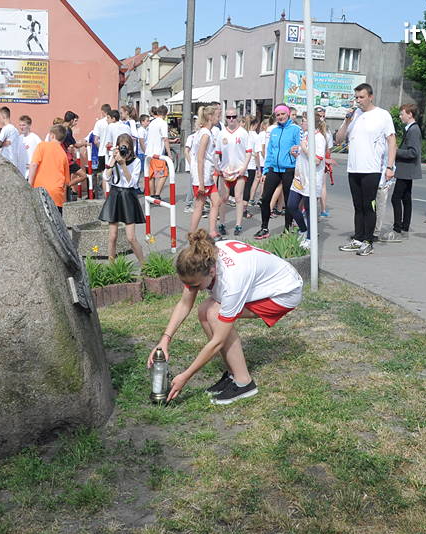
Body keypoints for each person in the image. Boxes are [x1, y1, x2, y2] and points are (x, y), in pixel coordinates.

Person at [148, 230, 303, 405]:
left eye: (196, 285)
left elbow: (218, 341)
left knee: (214, 313)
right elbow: (185, 304)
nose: (192, 289)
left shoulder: (231, 282)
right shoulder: (201, 257)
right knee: (204, 309)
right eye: (187, 284)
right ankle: (233, 374)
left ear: (212, 271)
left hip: (284, 293)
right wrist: (165, 340)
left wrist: (186, 375)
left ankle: (244, 383)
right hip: (266, 282)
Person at [335, 83, 396, 256]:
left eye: (361, 97)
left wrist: (390, 166)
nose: (358, 101)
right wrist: (347, 121)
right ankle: (358, 238)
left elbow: (392, 141)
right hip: (354, 168)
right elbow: (338, 140)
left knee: (369, 205)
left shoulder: (382, 115)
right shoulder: (353, 115)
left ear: (370, 97)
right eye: (356, 97)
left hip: (372, 168)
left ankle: (368, 241)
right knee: (357, 206)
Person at [97, 133, 145, 263]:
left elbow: (132, 183)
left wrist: (123, 164)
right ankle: (112, 268)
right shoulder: (114, 158)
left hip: (128, 196)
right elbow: (106, 178)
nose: (125, 152)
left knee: (131, 238)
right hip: (114, 195)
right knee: (112, 236)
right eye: (122, 148)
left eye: (126, 149)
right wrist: (113, 160)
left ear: (131, 149)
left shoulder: (136, 162)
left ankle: (145, 266)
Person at [254, 106, 301, 240]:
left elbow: (301, 149)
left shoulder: (295, 130)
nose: (280, 117)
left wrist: (297, 165)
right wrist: (265, 170)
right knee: (265, 199)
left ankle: (287, 229)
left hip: (289, 169)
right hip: (274, 169)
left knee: (288, 201)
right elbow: (270, 152)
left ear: (288, 114)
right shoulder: (274, 131)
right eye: (277, 115)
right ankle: (264, 228)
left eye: (282, 114)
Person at [381, 104, 422, 242]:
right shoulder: (411, 129)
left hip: (406, 170)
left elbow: (413, 152)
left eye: (402, 114)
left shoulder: (413, 130)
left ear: (410, 114)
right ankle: (404, 228)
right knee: (406, 198)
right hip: (407, 169)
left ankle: (398, 229)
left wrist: (395, 151)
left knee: (396, 198)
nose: (400, 116)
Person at [287, 110, 327, 249]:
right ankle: (303, 229)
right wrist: (296, 152)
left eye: (304, 120)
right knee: (291, 205)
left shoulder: (319, 138)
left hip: (312, 180)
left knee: (310, 211)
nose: (301, 123)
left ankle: (310, 238)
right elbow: (303, 156)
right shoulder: (305, 135)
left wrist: (303, 148)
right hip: (300, 178)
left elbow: (316, 160)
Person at [216, 109, 252, 236]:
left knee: (238, 198)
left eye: (233, 116)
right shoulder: (221, 133)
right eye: (229, 117)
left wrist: (244, 167)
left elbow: (248, 151)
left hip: (239, 170)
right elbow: (217, 153)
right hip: (225, 170)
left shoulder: (243, 133)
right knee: (224, 198)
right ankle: (222, 223)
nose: (231, 119)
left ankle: (238, 225)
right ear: (225, 118)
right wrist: (218, 167)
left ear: (237, 117)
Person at [189, 105, 220, 239]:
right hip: (203, 176)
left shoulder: (203, 132)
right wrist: (201, 182)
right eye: (217, 116)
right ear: (210, 117)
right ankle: (192, 233)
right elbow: (200, 158)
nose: (218, 119)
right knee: (199, 205)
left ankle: (212, 231)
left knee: (216, 201)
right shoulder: (205, 134)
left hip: (207, 174)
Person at [28, 124, 70, 214]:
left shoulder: (42, 146)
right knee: (56, 225)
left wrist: (29, 184)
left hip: (41, 190)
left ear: (52, 135)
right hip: (57, 194)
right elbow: (66, 182)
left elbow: (34, 164)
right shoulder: (64, 154)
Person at [145, 106, 170, 198]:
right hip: (157, 153)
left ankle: (152, 194)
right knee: (164, 174)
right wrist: (169, 154)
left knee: (151, 175)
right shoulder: (163, 123)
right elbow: (165, 139)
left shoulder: (152, 123)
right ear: (165, 114)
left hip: (149, 153)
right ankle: (157, 194)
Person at [0, 106, 29, 176]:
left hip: (6, 162)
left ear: (4, 116)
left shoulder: (5, 129)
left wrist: (1, 143)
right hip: (14, 162)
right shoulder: (15, 130)